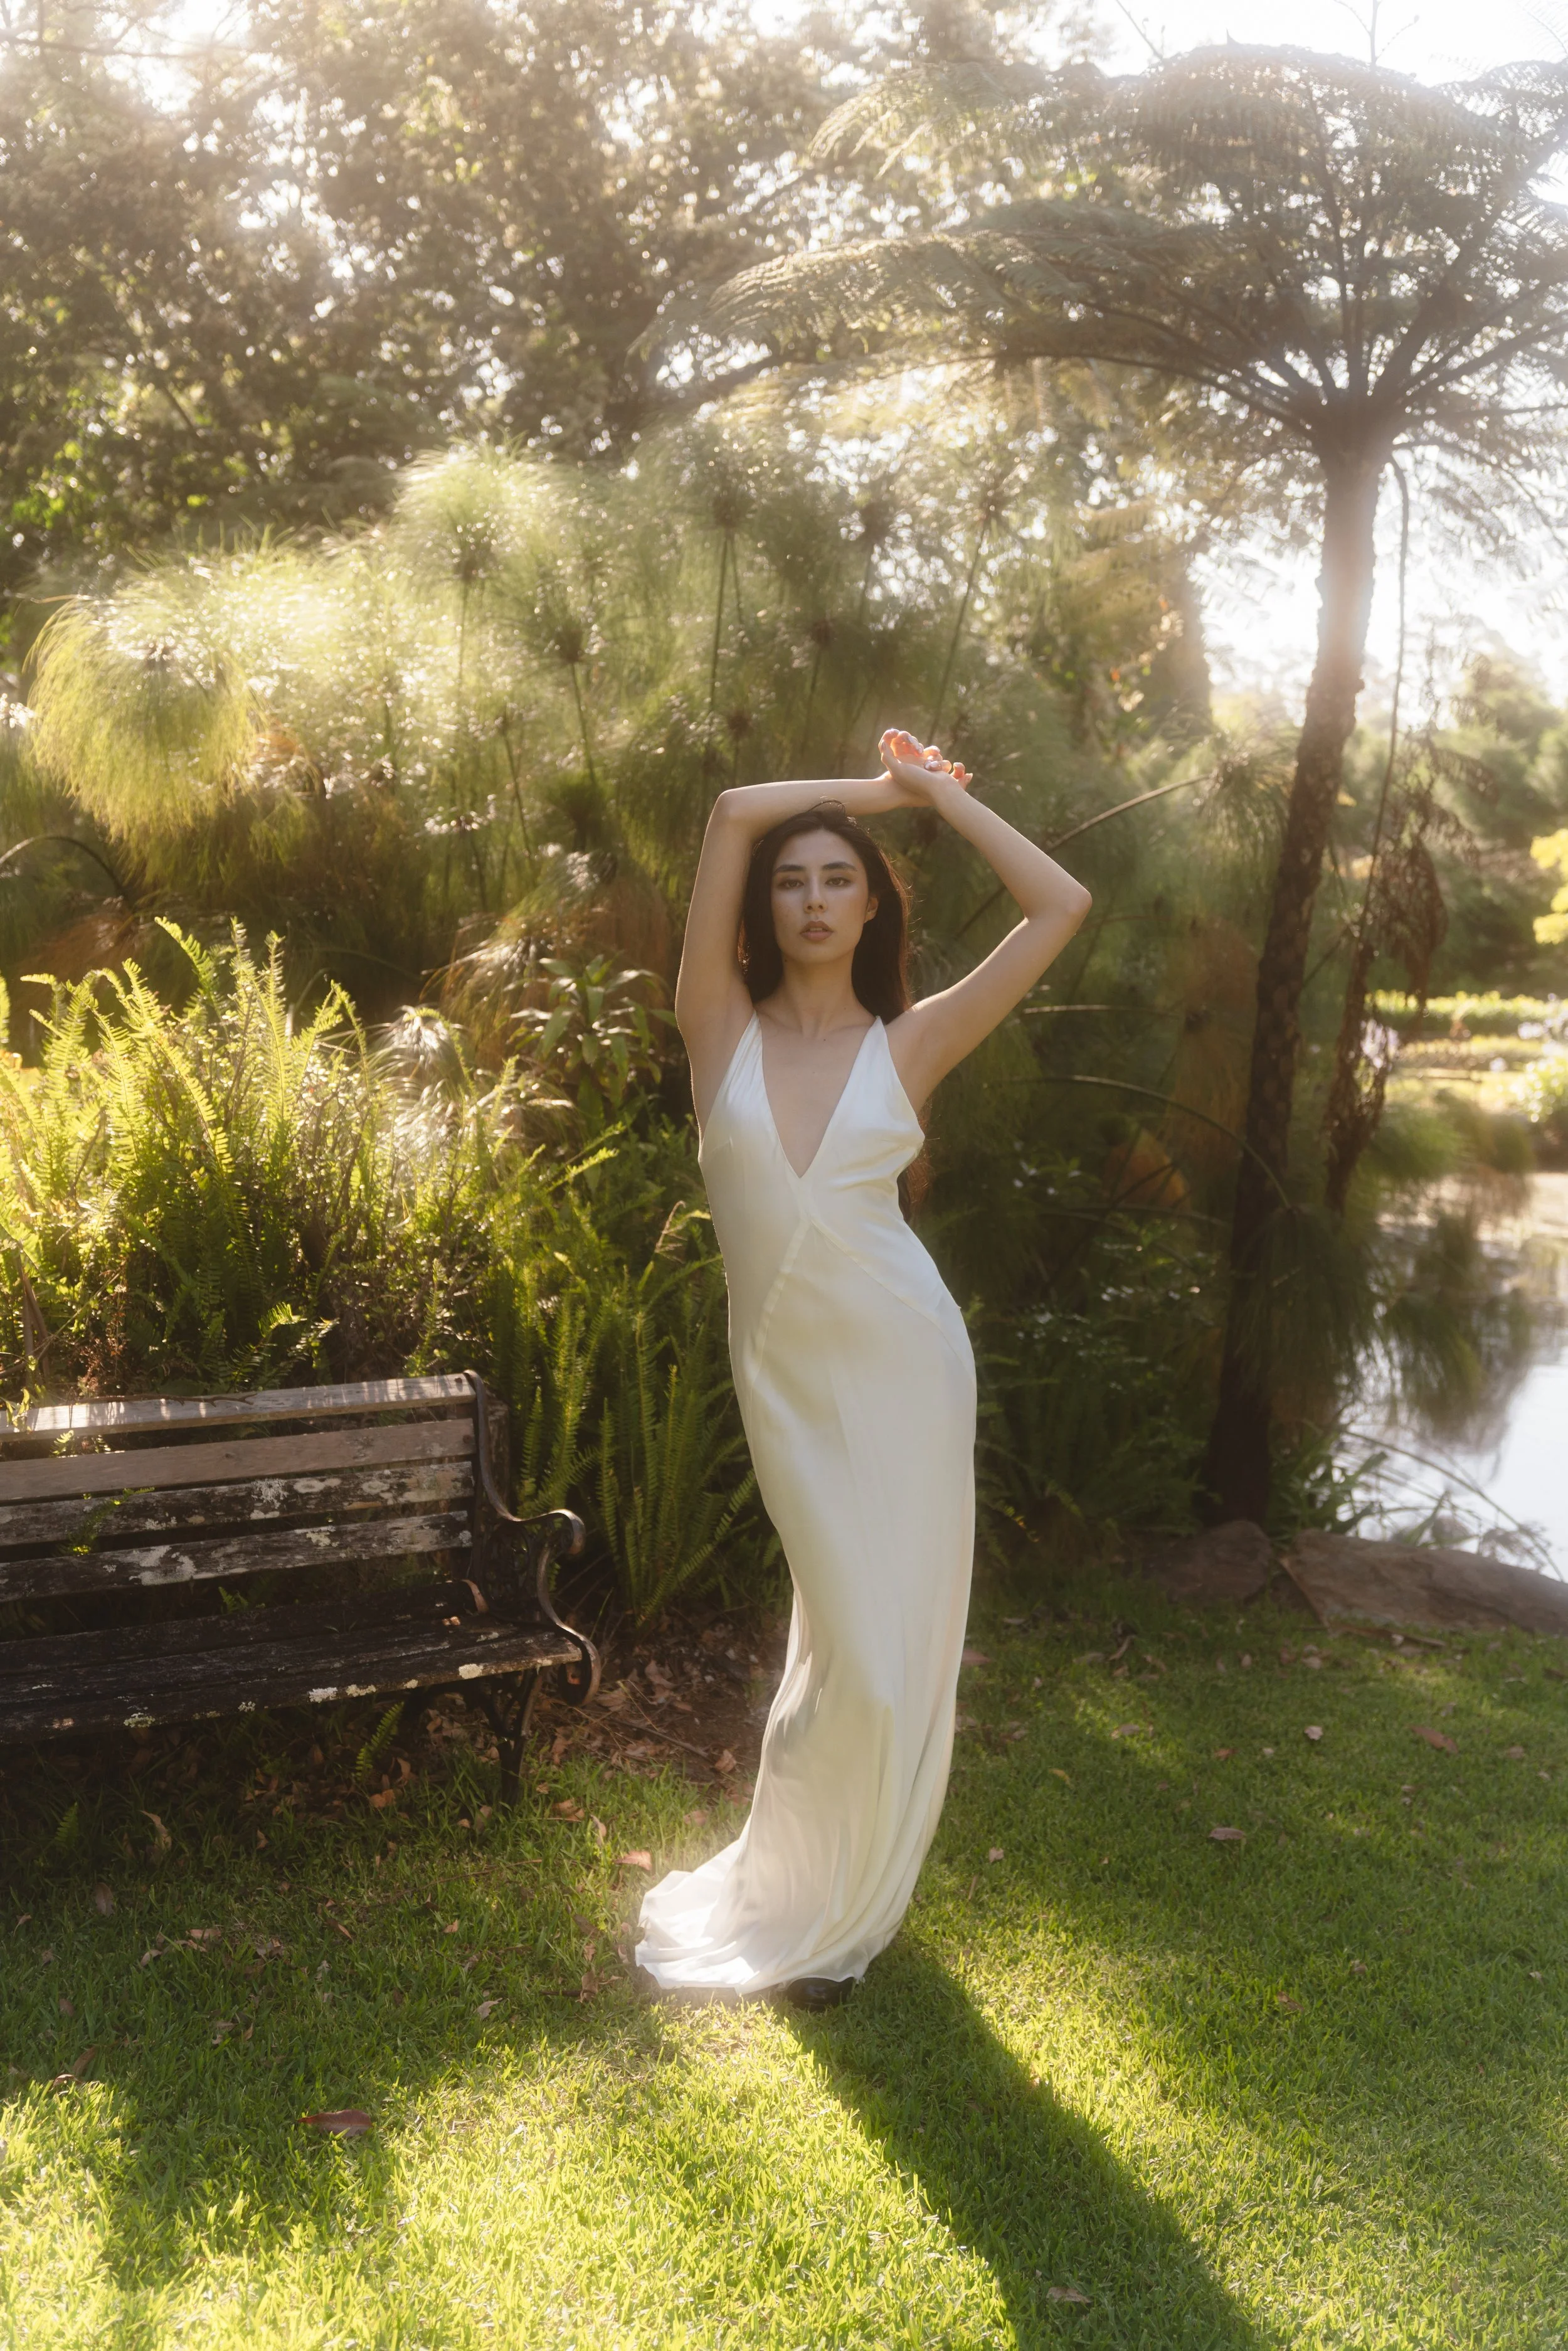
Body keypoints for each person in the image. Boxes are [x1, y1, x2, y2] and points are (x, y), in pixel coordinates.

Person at [634, 728, 1091, 2006]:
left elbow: (1061, 903)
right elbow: (730, 809)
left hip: (904, 1362)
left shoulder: (914, 1042)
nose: (814, 899)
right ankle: (796, 1890)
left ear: (872, 903)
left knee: (890, 1658)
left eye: (840, 877)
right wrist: (880, 788)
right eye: (794, 881)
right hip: (784, 1375)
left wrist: (946, 799)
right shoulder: (711, 1025)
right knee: (848, 1653)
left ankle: (837, 1919)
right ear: (764, 909)